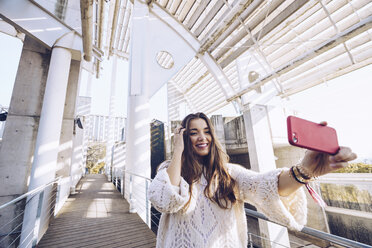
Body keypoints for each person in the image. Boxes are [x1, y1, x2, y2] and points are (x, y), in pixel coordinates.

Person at [148, 112, 356, 248]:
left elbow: (263, 185)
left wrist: (304, 171)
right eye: (193, 133)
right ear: (184, 137)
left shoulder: (229, 173)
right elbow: (166, 201)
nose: (202, 137)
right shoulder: (170, 168)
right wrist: (178, 150)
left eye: (206, 131)